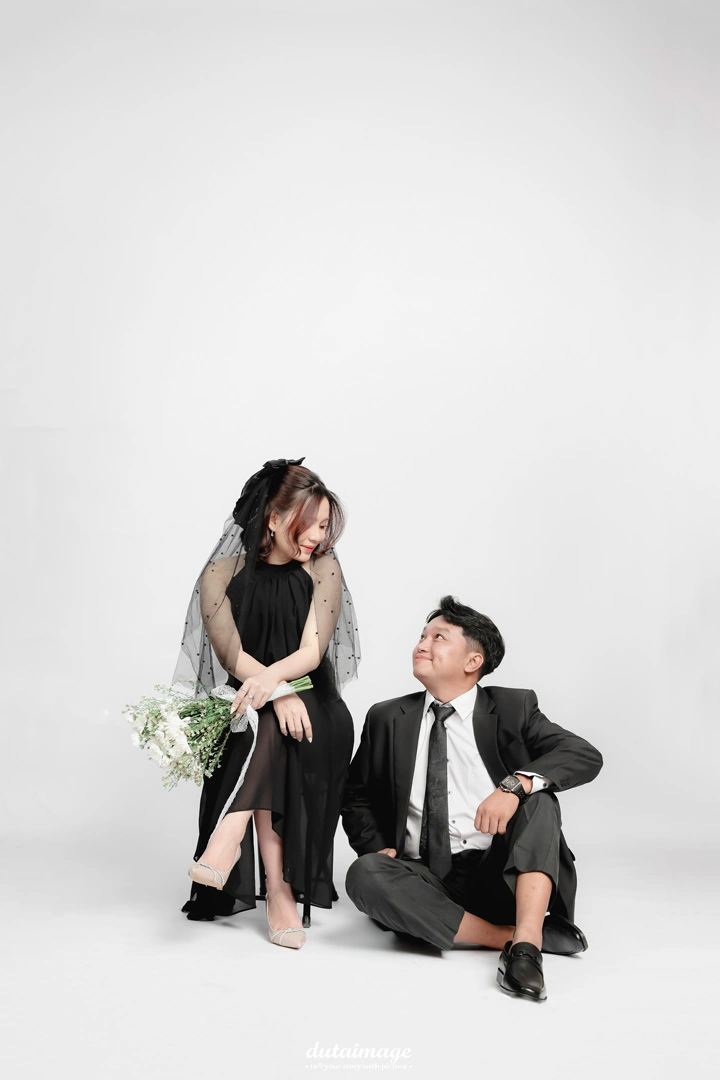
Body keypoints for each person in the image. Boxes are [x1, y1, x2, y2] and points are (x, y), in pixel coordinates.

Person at [341, 596, 602, 1000]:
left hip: (503, 873)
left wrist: (514, 786)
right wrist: (376, 847)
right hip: (425, 878)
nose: (422, 644)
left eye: (439, 637)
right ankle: (515, 938)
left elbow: (583, 754)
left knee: (539, 800)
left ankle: (526, 950)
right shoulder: (387, 717)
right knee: (363, 873)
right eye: (422, 636)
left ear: (472, 661)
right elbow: (356, 794)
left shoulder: (514, 708)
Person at [174, 458, 360, 948]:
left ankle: (229, 835)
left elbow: (311, 653)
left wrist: (279, 686)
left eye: (324, 525)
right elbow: (230, 655)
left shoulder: (323, 567)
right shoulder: (220, 573)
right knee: (263, 726)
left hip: (315, 702)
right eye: (309, 523)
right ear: (273, 518)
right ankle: (278, 892)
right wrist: (276, 694)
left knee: (267, 727)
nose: (317, 536)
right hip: (252, 699)